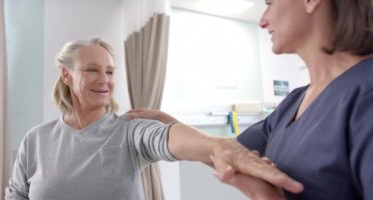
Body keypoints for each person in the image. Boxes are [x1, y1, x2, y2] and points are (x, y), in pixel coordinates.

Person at [126, 0, 373, 199]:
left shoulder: (365, 94)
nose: (263, 20)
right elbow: (232, 152)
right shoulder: (293, 103)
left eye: (270, 2)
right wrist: (168, 123)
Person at [5, 37, 303, 200]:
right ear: (67, 76)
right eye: (92, 70)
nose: (104, 80)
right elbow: (17, 194)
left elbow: (166, 138)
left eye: (110, 71)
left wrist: (215, 146)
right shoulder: (36, 139)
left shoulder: (128, 130)